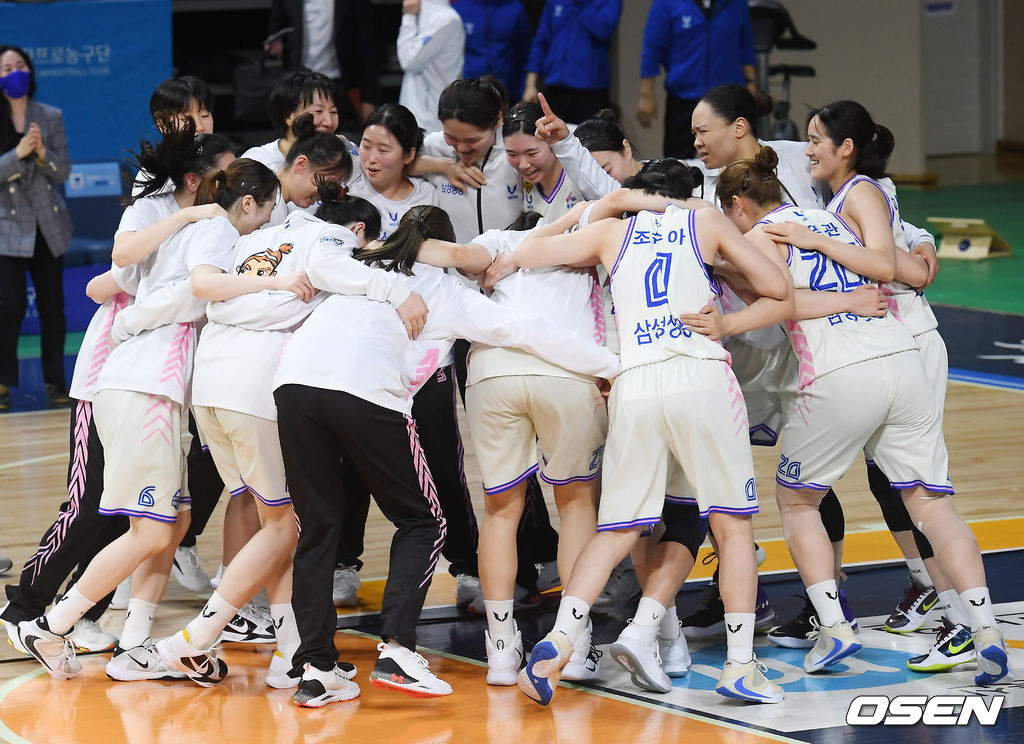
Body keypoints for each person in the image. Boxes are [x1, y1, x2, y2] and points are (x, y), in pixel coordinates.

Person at [272, 204, 618, 705]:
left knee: (318, 525)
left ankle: (318, 667)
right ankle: (397, 648)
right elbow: (528, 331)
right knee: (424, 522)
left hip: (294, 385)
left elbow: (318, 264)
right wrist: (613, 365)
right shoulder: (448, 290)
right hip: (365, 389)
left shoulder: (359, 256)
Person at [712, 145, 1012, 686]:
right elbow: (891, 265)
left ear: (737, 207)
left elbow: (774, 307)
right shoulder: (833, 220)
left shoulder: (759, 238)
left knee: (798, 500)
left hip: (838, 371)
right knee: (933, 503)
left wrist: (731, 288)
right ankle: (986, 630)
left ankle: (834, 626)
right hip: (904, 360)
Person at [514, 159, 792, 707]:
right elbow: (777, 287)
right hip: (701, 377)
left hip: (635, 381)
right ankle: (740, 667)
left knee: (616, 529)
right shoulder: (706, 219)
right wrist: (728, 320)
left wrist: (592, 210)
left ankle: (559, 638)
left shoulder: (610, 230)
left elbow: (526, 253)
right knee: (732, 527)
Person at [156, 183, 423, 690]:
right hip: (256, 383)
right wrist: (396, 288)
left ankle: (292, 651)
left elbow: (207, 288)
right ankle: (192, 638)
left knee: (277, 522)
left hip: (209, 381)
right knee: (283, 527)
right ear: (359, 230)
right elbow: (333, 271)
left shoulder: (257, 236)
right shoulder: (331, 241)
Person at [760, 102, 985, 674]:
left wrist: (818, 246)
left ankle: (956, 614)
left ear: (847, 147)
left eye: (817, 139)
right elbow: (902, 250)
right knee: (909, 489)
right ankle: (959, 612)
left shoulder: (859, 191)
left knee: (918, 491)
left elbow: (899, 269)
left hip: (904, 341)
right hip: (888, 349)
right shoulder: (836, 197)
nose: (807, 148)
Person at [0, 132, 236, 661]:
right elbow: (118, 265)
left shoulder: (216, 228)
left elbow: (100, 285)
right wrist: (139, 299)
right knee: (95, 509)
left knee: (150, 521)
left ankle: (104, 628)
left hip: (158, 386)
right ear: (196, 176)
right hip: (117, 378)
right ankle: (30, 611)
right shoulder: (162, 212)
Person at [0, 45, 72, 409]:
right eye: (6, 67)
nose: (14, 72)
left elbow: (64, 172)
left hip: (47, 224)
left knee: (52, 307)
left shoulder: (50, 115)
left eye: (20, 65)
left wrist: (43, 153)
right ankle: (1, 382)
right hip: (5, 226)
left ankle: (56, 382)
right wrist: (20, 154)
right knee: (8, 305)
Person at [636, 0, 756, 158]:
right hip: (683, 99)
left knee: (737, 159)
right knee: (677, 164)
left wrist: (752, 84)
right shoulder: (666, 3)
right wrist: (646, 95)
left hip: (729, 100)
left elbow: (746, 45)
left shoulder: (736, 3)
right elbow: (652, 48)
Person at [266, 0, 380, 127]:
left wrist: (369, 98)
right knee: (300, 138)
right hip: (299, 84)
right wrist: (277, 46)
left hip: (343, 85)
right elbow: (276, 30)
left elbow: (367, 45)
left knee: (343, 139)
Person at [522, 0, 622, 124]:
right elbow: (541, 41)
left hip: (590, 91)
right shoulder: (554, 2)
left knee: (587, 141)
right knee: (550, 139)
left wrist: (581, 4)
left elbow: (604, 30)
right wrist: (530, 84)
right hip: (555, 88)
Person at [242, 69, 345, 173]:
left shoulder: (346, 151)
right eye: (318, 111)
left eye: (333, 112)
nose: (329, 122)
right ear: (289, 116)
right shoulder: (258, 162)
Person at [503, 102, 583, 219]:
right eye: (512, 154)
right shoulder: (519, 180)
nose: (523, 165)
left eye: (532, 153)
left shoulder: (581, 177)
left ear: (553, 141)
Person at [397, 0, 466, 133]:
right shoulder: (423, 10)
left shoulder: (447, 19)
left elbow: (408, 61)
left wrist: (408, 17)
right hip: (412, 115)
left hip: (430, 123)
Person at [452, 0, 531, 100]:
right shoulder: (458, 8)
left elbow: (524, 52)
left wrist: (527, 86)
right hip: (469, 89)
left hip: (508, 90)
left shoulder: (515, 8)